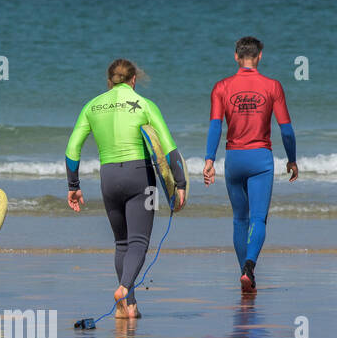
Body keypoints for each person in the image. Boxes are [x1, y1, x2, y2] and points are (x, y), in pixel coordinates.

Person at [65, 59, 185, 319]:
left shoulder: (92, 106)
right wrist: (180, 183)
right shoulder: (144, 104)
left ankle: (128, 306)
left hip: (108, 178)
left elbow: (72, 149)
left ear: (109, 82)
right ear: (133, 80)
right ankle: (123, 289)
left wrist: (73, 185)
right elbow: (168, 146)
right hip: (140, 176)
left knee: (121, 242)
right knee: (139, 241)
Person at [202, 36, 298, 295]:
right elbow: (286, 129)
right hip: (260, 160)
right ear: (259, 56)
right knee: (258, 218)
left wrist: (209, 159)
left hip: (233, 160)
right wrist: (292, 158)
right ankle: (250, 267)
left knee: (239, 219)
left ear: (236, 56)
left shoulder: (221, 87)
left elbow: (215, 126)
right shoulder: (272, 86)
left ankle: (245, 276)